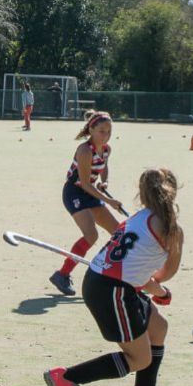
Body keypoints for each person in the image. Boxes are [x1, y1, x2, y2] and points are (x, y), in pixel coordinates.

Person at [44, 168, 184, 386]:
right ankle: (67, 377)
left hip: (104, 282)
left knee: (158, 327)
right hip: (113, 291)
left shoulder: (135, 219)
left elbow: (140, 273)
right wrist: (161, 291)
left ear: (142, 194)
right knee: (139, 359)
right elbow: (164, 274)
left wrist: (154, 288)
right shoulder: (172, 230)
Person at [49, 111, 126, 296]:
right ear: (91, 129)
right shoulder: (84, 150)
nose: (105, 135)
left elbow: (104, 167)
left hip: (91, 192)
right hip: (75, 192)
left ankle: (116, 275)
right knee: (91, 235)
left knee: (118, 233)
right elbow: (84, 183)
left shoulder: (106, 149)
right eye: (101, 131)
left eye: (108, 131)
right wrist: (109, 201)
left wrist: (105, 181)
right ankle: (62, 274)